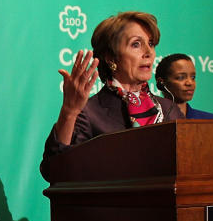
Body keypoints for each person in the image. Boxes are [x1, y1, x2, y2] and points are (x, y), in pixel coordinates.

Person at [40, 11, 182, 181]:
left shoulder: (169, 110)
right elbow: (55, 171)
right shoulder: (89, 113)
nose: (149, 52)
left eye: (151, 44)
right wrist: (69, 112)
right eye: (136, 44)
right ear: (111, 57)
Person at [155, 53, 213, 119]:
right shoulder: (151, 120)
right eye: (181, 77)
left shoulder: (211, 121)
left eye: (193, 77)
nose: (190, 83)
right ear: (162, 82)